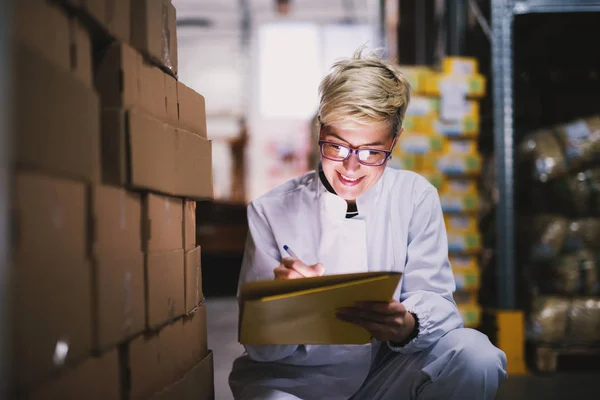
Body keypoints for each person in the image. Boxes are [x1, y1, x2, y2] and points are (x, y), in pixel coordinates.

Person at [229, 48, 507, 400]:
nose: (350, 167)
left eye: (372, 152)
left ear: (395, 140)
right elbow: (259, 348)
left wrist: (407, 325)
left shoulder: (414, 196)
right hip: (293, 384)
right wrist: (283, 306)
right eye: (337, 146)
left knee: (476, 355)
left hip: (384, 376)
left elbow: (437, 302)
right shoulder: (271, 211)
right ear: (321, 130)